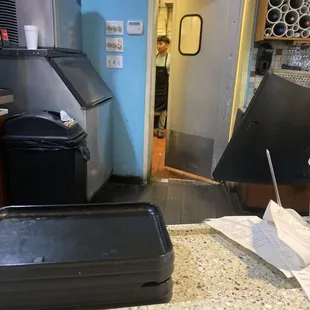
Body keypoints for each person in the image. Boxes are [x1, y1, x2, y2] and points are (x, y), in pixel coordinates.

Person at [155, 35, 171, 139]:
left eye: (161, 43)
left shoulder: (170, 59)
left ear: (167, 45)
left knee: (163, 111)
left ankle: (160, 130)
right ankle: (150, 128)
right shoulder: (154, 57)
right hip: (154, 87)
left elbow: (171, 76)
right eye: (157, 43)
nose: (158, 46)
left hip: (164, 89)